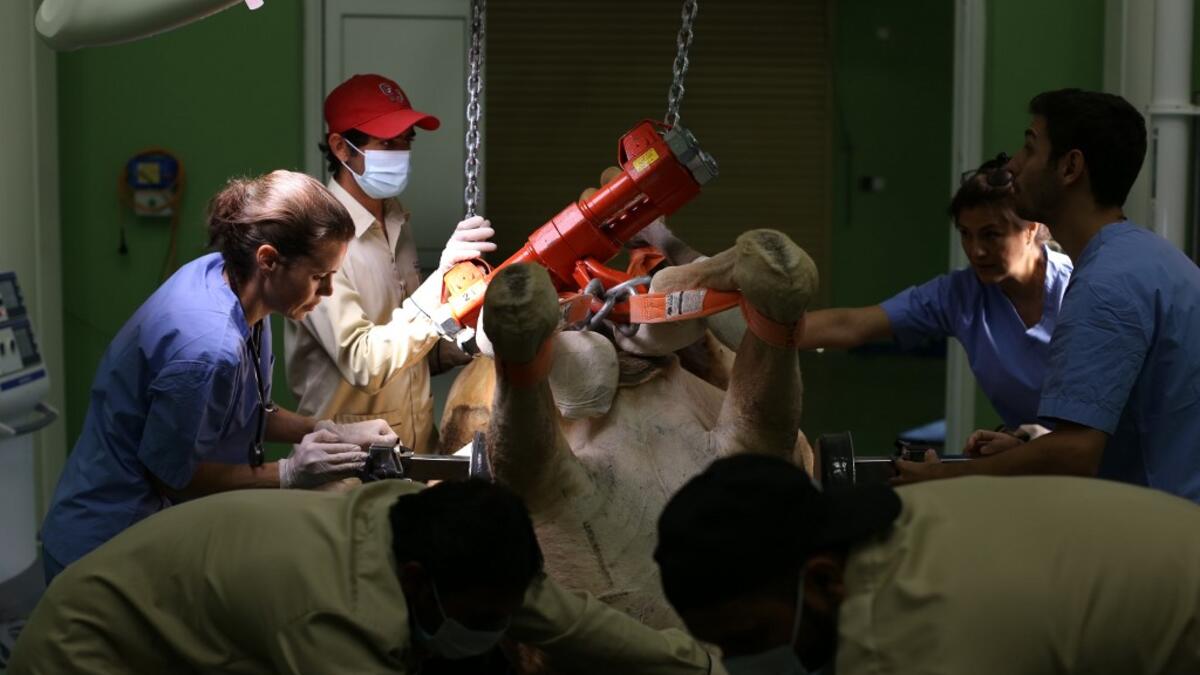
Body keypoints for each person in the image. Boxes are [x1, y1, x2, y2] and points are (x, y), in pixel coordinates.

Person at [40, 170, 399, 582]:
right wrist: (289, 473)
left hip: (143, 536)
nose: (329, 292)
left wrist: (329, 431)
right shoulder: (207, 349)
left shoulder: (233, 283)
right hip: (102, 551)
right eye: (320, 276)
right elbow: (174, 477)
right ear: (268, 259)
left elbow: (244, 409)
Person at [10, 479, 715, 675]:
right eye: (479, 617)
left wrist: (699, 665)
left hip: (179, 614)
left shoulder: (436, 528)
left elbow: (566, 619)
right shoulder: (333, 621)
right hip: (86, 651)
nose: (497, 628)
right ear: (416, 581)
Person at [897, 89, 1200, 501]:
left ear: (1070, 166)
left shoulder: (1104, 284)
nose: (1014, 166)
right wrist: (1028, 449)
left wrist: (941, 480)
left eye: (1028, 148)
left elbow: (1075, 455)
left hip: (1171, 532)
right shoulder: (1148, 257)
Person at [654, 453, 1200, 675]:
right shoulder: (910, 518)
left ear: (822, 578)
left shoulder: (900, 642)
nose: (733, 659)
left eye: (750, 634)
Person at [286, 73, 496, 454]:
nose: (400, 152)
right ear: (341, 148)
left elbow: (415, 354)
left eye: (405, 141)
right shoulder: (315, 239)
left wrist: (473, 340)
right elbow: (365, 363)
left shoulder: (396, 221)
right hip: (347, 465)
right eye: (386, 143)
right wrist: (437, 290)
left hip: (416, 453)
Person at [791, 154, 1071, 434]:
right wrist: (758, 329)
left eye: (991, 235)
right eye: (966, 234)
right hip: (1032, 457)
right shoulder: (961, 294)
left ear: (1030, 229)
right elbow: (851, 325)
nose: (976, 251)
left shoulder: (1079, 285)